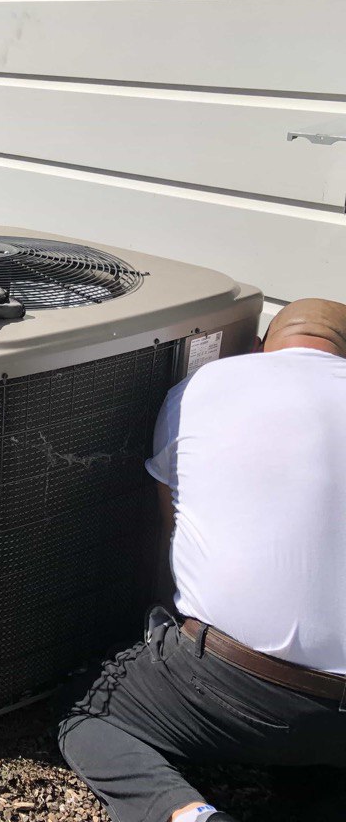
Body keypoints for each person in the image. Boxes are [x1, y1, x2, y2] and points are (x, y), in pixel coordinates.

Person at [57, 298, 346, 822]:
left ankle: (187, 814)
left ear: (258, 346)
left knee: (87, 709)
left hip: (238, 688)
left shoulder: (201, 387)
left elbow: (171, 535)